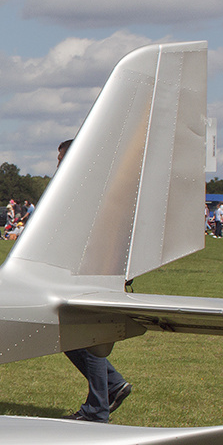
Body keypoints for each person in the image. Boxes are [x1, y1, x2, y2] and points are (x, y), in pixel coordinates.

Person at [56, 138, 132, 422]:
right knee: (68, 335)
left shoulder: (87, 190)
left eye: (62, 159)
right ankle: (112, 385)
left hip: (91, 271)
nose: (58, 165)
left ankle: (98, 409)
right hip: (83, 270)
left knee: (88, 336)